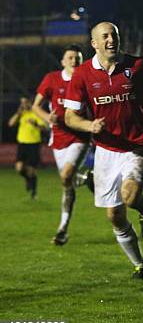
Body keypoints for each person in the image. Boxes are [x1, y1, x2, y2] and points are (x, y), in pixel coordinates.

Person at [64, 22, 143, 279]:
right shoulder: (82, 75)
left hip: (138, 144)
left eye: (114, 35)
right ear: (94, 44)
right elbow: (69, 117)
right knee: (114, 215)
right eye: (105, 37)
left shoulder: (139, 65)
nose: (111, 40)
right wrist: (89, 124)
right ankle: (140, 266)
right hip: (105, 150)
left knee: (131, 196)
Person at [32, 44, 90, 245]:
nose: (74, 61)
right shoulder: (52, 79)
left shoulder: (86, 79)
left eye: (78, 58)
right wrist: (49, 118)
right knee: (67, 184)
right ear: (63, 61)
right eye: (71, 57)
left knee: (66, 175)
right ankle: (64, 227)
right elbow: (35, 106)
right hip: (58, 138)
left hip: (79, 136)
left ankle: (63, 226)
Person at [8, 97, 47, 199]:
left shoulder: (36, 113)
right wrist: (18, 113)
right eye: (22, 103)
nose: (23, 104)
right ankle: (28, 180)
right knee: (19, 168)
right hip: (22, 144)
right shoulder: (21, 114)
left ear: (30, 102)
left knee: (31, 170)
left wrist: (36, 124)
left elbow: (44, 128)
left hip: (33, 144)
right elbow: (11, 123)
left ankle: (34, 192)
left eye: (25, 102)